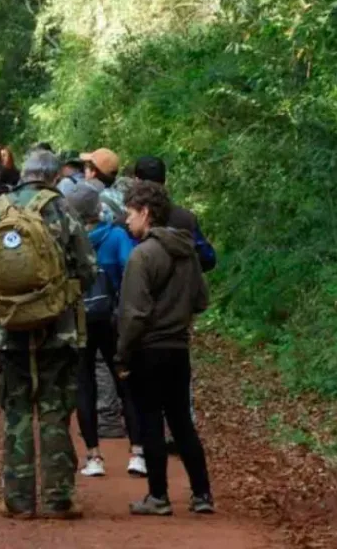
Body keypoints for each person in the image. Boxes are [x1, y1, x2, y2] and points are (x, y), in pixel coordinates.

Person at [0, 149, 97, 519]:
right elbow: (88, 269)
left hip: (9, 330)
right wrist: (56, 294)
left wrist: (6, 296)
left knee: (17, 410)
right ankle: (59, 499)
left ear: (23, 174)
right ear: (54, 177)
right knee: (55, 409)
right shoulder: (62, 209)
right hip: (58, 329)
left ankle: (18, 501)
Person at [117, 181, 214, 516]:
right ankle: (202, 494)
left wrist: (122, 354)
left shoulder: (142, 255)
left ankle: (158, 496)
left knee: (150, 422)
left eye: (130, 213)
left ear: (146, 212)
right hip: (179, 349)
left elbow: (134, 313)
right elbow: (201, 300)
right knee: (182, 422)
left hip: (148, 349)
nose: (127, 221)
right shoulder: (188, 252)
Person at [62, 182, 145, 479]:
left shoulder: (68, 239)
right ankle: (137, 452)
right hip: (113, 320)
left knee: (85, 385)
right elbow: (131, 273)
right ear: (99, 208)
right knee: (125, 381)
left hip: (79, 319)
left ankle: (93, 457)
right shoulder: (117, 236)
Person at [133, 156, 217, 272]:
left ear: (136, 181)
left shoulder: (127, 222)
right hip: (184, 287)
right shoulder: (186, 218)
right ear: (165, 181)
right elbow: (208, 258)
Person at [81, 147, 125, 221]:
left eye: (86, 167)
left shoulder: (94, 204)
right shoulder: (121, 196)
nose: (84, 171)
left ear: (93, 173)